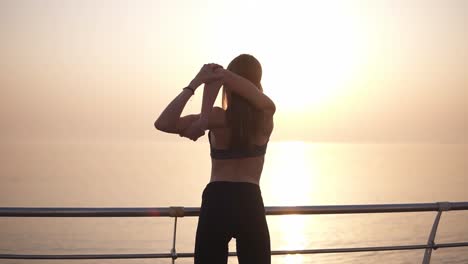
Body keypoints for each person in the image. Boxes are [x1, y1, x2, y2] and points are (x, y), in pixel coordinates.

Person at [155, 54, 275, 264]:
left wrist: (195, 83)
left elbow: (163, 123)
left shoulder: (216, 118)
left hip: (217, 201)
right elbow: (162, 123)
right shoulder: (264, 118)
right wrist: (223, 76)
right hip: (250, 201)